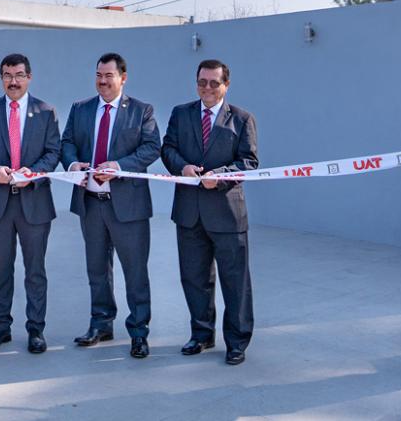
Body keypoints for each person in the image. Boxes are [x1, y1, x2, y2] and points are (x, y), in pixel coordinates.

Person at [60, 52, 160, 359]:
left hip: (128, 205)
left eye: (109, 76)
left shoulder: (141, 111)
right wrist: (73, 164)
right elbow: (67, 143)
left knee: (135, 272)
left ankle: (139, 333)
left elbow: (151, 147)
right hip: (91, 204)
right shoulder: (81, 109)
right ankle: (101, 324)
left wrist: (119, 166)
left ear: (123, 78)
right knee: (97, 269)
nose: (102, 81)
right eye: (98, 75)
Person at [161, 58, 258, 366]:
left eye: (214, 83)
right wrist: (182, 167)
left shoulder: (242, 119)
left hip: (227, 213)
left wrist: (222, 176)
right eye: (202, 82)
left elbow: (248, 162)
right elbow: (168, 149)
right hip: (189, 212)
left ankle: (237, 342)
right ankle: (201, 334)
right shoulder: (180, 114)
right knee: (194, 278)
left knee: (235, 281)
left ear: (225, 85)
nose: (207, 88)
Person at [0, 53, 61, 354]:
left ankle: (36, 329)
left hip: (34, 203)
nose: (13, 81)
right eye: (8, 75)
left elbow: (53, 153)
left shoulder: (46, 112)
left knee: (35, 270)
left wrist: (31, 174)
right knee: (1, 269)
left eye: (19, 75)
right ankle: (0, 327)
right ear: (1, 78)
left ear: (29, 77)